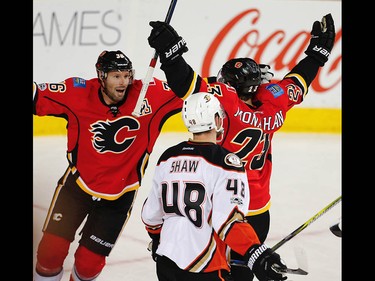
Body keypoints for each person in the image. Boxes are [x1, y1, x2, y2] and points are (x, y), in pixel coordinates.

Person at [145, 13, 336, 280]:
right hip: (258, 210)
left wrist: (171, 53)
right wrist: (318, 54)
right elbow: (299, 79)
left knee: (216, 272)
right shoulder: (275, 100)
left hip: (224, 208)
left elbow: (187, 84)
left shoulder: (226, 102)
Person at [33, 50, 184, 281]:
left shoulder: (149, 94)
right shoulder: (78, 93)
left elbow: (193, 88)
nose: (123, 82)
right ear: (101, 77)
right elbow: (36, 95)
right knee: (49, 255)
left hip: (119, 196)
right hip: (77, 187)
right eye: (116, 76)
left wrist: (173, 54)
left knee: (88, 266)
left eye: (127, 75)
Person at [141, 92, 288, 281]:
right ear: (217, 119)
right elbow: (229, 223)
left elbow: (150, 215)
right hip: (205, 266)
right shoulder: (227, 161)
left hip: (166, 263)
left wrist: (157, 239)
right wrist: (257, 254)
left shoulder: (168, 157)